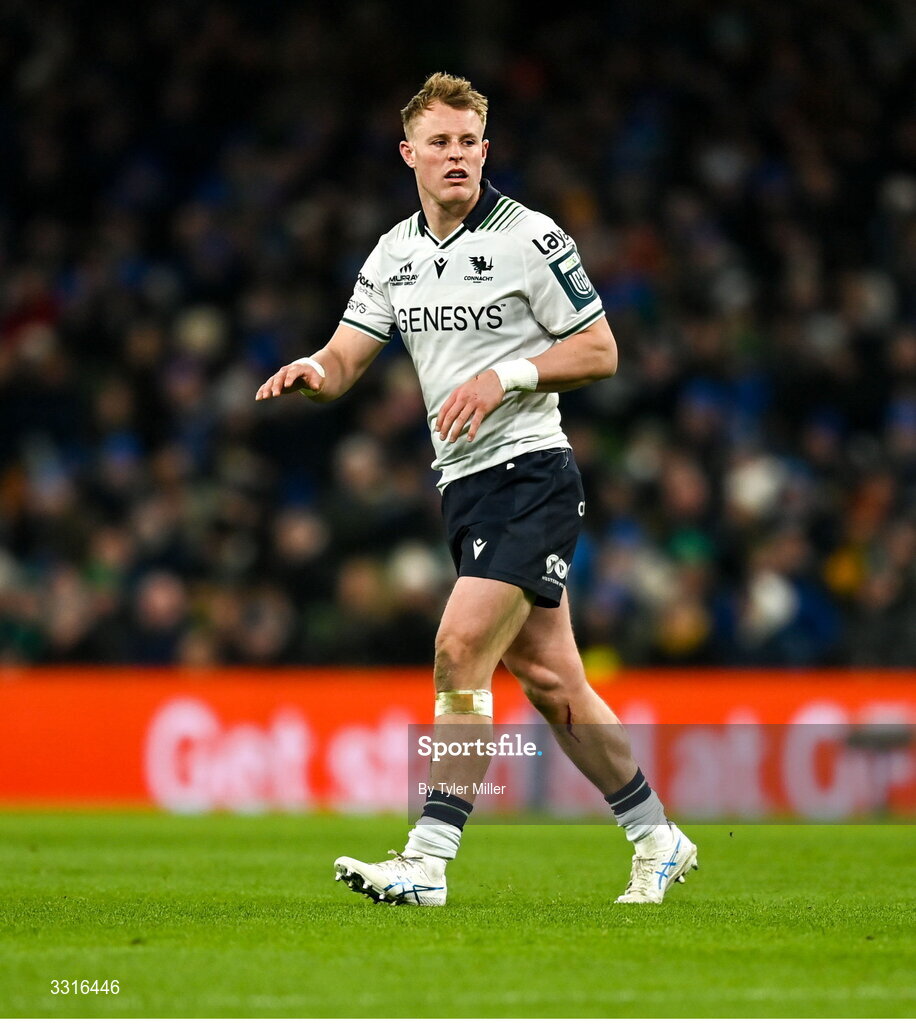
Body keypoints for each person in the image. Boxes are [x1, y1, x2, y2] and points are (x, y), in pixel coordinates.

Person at [256, 72, 697, 905]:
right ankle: (657, 836)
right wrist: (313, 369)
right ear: (409, 154)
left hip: (532, 474)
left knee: (459, 649)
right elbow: (348, 358)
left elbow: (600, 349)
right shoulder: (394, 253)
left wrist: (508, 376)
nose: (456, 156)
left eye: (469, 143)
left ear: (485, 151)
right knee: (555, 683)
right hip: (464, 488)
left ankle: (427, 862)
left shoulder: (531, 237)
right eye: (441, 143)